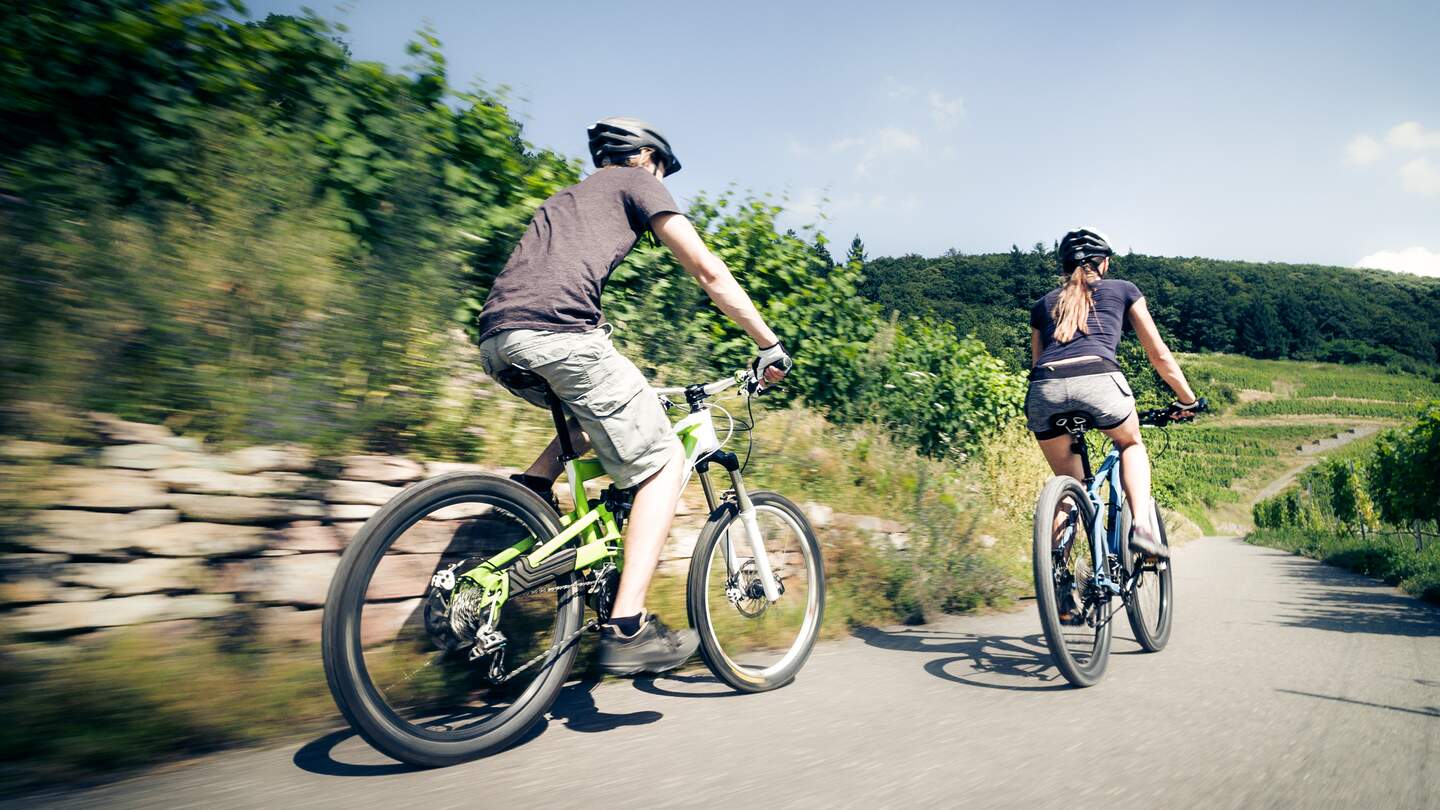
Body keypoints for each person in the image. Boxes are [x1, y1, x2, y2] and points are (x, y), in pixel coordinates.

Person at [476, 117, 791, 675]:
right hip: (559, 335)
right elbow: (708, 272)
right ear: (646, 156)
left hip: (500, 338)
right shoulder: (639, 180)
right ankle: (627, 626)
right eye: (664, 169)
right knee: (664, 461)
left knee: (589, 408)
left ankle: (530, 491)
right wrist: (768, 344)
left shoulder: (567, 198)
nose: (663, 179)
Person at [1026, 227, 1198, 558]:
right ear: (1103, 263)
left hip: (1044, 390)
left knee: (1068, 482)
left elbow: (1038, 364)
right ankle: (1143, 528)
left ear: (1064, 266)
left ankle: (1056, 575)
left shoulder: (1041, 305)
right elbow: (1159, 354)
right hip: (1100, 381)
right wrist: (1187, 400)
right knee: (1130, 443)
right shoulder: (1124, 290)